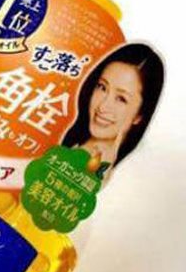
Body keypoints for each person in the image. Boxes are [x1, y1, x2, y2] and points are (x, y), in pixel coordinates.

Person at [62, 43, 164, 181]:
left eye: (121, 99)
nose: (103, 106)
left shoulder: (128, 177)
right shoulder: (61, 144)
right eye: (102, 87)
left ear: (140, 115)